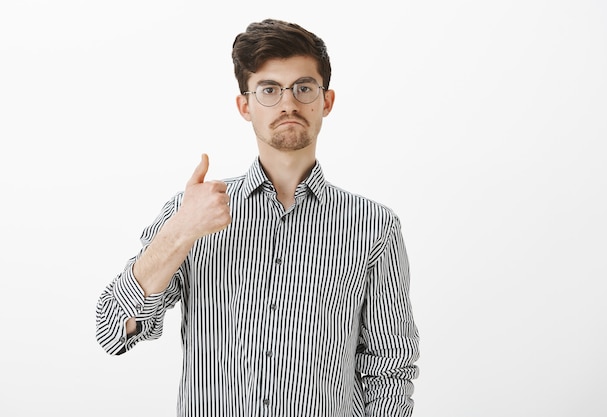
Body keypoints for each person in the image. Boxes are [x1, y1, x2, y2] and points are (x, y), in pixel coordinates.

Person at [96, 18, 420, 417]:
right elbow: (113, 331)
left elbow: (390, 369)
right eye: (269, 89)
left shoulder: (373, 226)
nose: (288, 103)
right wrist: (181, 230)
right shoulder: (194, 213)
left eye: (303, 87)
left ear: (326, 101)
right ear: (245, 106)